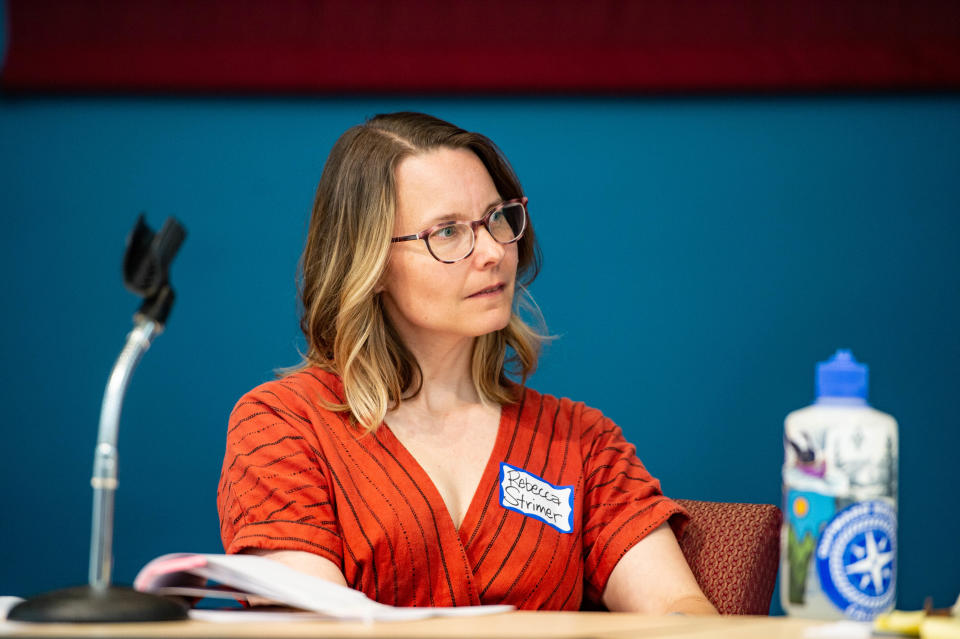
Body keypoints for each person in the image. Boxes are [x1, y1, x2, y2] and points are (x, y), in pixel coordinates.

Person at [217, 112, 716, 614]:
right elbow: (309, 626)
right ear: (370, 264)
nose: (493, 250)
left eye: (498, 217)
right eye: (448, 232)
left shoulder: (579, 441)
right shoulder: (283, 427)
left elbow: (680, 607)